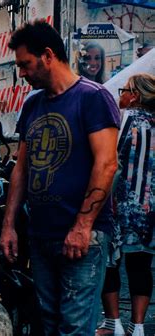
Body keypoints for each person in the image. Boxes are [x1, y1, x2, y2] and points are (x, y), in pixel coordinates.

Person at [0, 20, 120, 335]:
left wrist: (82, 227)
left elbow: (107, 164)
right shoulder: (32, 105)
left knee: (75, 328)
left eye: (25, 64)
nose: (21, 73)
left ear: (48, 55)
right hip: (41, 237)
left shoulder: (93, 98)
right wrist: (9, 225)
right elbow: (21, 169)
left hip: (83, 239)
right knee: (48, 324)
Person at [96, 73, 155, 336]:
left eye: (124, 90)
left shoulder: (125, 120)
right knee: (141, 265)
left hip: (119, 204)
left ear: (136, 96)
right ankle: (138, 326)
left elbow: (111, 164)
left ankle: (113, 323)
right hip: (149, 209)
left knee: (109, 261)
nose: (120, 94)